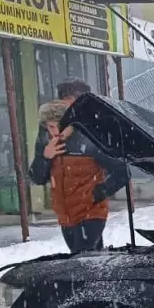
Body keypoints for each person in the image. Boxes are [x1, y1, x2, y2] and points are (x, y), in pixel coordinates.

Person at [30, 100, 129, 254]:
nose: (55, 132)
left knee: (82, 259)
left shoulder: (89, 138)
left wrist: (98, 193)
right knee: (89, 260)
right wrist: (45, 157)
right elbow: (37, 178)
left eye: (59, 125)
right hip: (65, 216)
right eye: (50, 127)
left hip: (91, 212)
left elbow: (122, 172)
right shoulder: (46, 142)